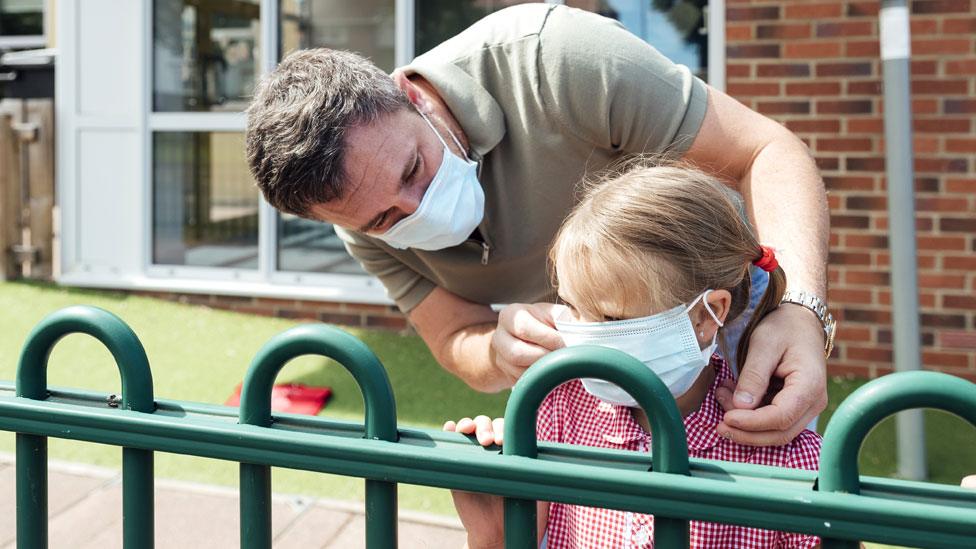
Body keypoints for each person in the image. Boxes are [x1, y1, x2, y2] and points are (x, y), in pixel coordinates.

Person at [244, 4, 833, 446]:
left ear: (409, 95)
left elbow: (765, 152)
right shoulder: (355, 219)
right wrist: (500, 351)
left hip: (713, 309)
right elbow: (454, 339)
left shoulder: (555, 58)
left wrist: (802, 308)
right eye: (386, 217)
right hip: (582, 363)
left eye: (413, 168)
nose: (419, 206)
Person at [444, 163, 822, 548]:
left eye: (611, 316)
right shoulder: (553, 412)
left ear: (708, 315)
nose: (585, 334)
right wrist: (494, 533)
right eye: (573, 308)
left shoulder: (785, 459)